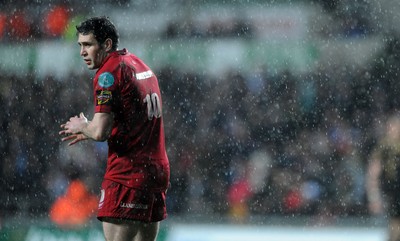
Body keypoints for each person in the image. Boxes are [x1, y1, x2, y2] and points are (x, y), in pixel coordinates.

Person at [59, 16, 170, 241]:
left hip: (128, 174)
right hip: (156, 170)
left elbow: (100, 132)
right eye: (80, 45)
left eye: (88, 45)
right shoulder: (138, 64)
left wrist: (84, 125)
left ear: (107, 44)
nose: (82, 52)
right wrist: (90, 127)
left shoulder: (107, 74)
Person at [366, 114, 400, 241]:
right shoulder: (383, 147)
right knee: (395, 226)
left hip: (394, 192)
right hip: (393, 193)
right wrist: (374, 197)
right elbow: (373, 174)